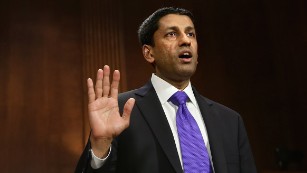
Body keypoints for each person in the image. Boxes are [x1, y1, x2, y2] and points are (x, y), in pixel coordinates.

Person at [75, 7, 257, 173]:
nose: (186, 41)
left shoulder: (230, 121)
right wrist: (100, 146)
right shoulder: (121, 110)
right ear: (149, 53)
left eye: (191, 34)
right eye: (171, 34)